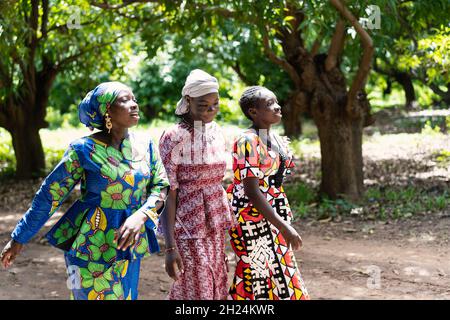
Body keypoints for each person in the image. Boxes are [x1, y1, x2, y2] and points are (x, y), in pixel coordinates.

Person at [0, 82, 169, 300]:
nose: (134, 105)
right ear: (106, 110)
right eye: (124, 100)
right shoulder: (82, 149)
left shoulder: (146, 145)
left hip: (128, 245)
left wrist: (142, 215)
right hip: (89, 245)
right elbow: (50, 195)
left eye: (134, 99)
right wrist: (19, 237)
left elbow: (161, 186)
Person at [159, 69, 235, 300]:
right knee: (196, 283)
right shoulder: (173, 137)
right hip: (186, 223)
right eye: (203, 105)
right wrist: (170, 247)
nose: (211, 110)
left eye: (215, 104)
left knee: (214, 277)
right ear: (188, 101)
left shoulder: (216, 132)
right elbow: (167, 191)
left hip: (214, 219)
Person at [227, 86, 309, 300]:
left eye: (276, 101)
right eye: (269, 104)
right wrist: (283, 226)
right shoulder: (247, 141)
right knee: (259, 274)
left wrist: (282, 221)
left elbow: (276, 180)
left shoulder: (277, 139)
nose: (277, 106)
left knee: (280, 269)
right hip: (251, 216)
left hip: (274, 212)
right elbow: (252, 191)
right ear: (253, 112)